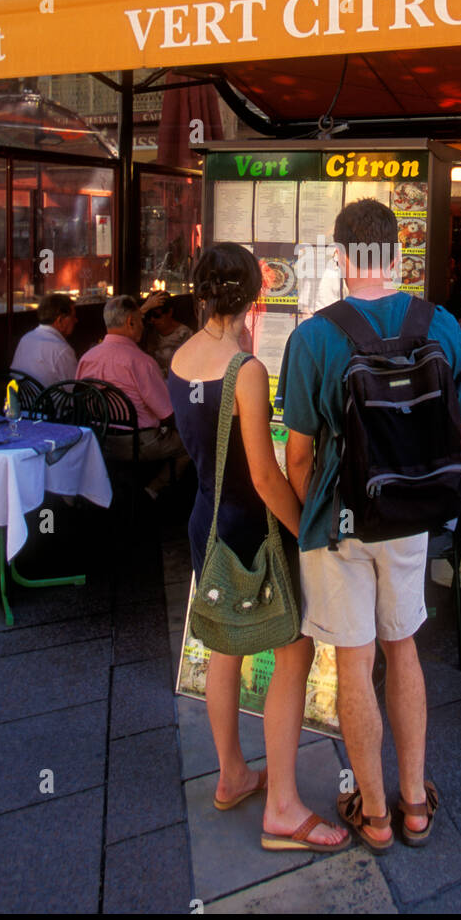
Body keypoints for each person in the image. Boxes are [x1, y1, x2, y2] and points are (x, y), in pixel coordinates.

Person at [280, 199, 461, 852]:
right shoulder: (441, 326)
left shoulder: (313, 337)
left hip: (341, 524)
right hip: (412, 520)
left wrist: (327, 511)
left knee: (354, 663)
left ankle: (374, 814)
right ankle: (415, 803)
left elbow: (299, 455)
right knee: (405, 649)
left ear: (339, 258)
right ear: (398, 257)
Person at [168, 243, 347, 853]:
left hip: (206, 521)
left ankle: (232, 775)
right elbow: (267, 476)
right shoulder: (244, 369)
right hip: (252, 527)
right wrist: (310, 533)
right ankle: (283, 807)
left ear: (200, 292)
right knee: (293, 650)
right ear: (253, 295)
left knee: (224, 647)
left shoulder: (182, 357)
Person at [77, 294, 189, 500]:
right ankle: (152, 490)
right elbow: (167, 414)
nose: (144, 326)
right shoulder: (140, 361)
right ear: (131, 322)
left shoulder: (87, 358)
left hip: (98, 439)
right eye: (141, 321)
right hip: (139, 443)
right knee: (189, 443)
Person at [10, 292, 78, 387]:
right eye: (73, 316)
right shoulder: (61, 349)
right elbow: (74, 390)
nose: (76, 320)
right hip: (47, 401)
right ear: (60, 320)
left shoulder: (26, 339)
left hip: (22, 400)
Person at [143, 291, 193, 377]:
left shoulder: (185, 334)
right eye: (149, 315)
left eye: (156, 315)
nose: (152, 319)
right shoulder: (147, 330)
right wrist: (145, 308)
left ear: (169, 312)